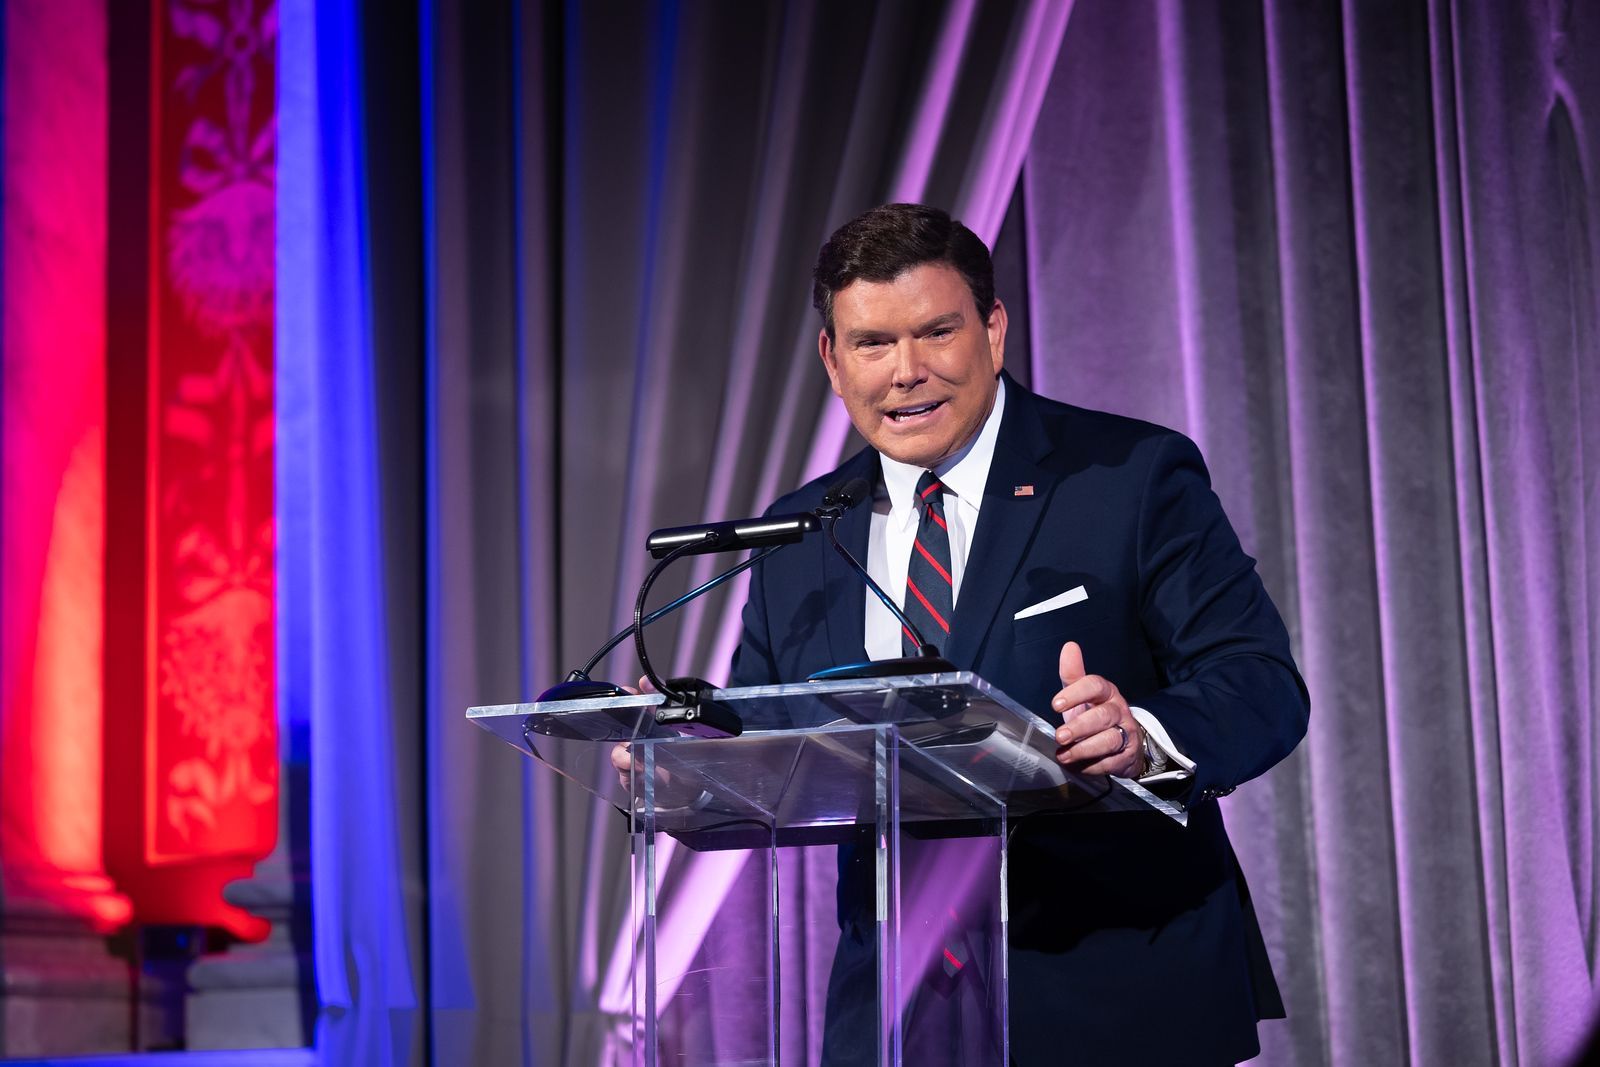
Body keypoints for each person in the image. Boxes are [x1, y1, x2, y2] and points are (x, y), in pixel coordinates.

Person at [722, 203, 1311, 1065]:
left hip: (1117, 994)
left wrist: (1141, 736)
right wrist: (677, 738)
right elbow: (766, 730)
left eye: (937, 331)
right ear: (832, 360)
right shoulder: (801, 530)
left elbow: (1260, 681)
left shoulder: (1129, 477)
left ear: (993, 330)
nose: (907, 372)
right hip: (896, 1014)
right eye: (873, 344)